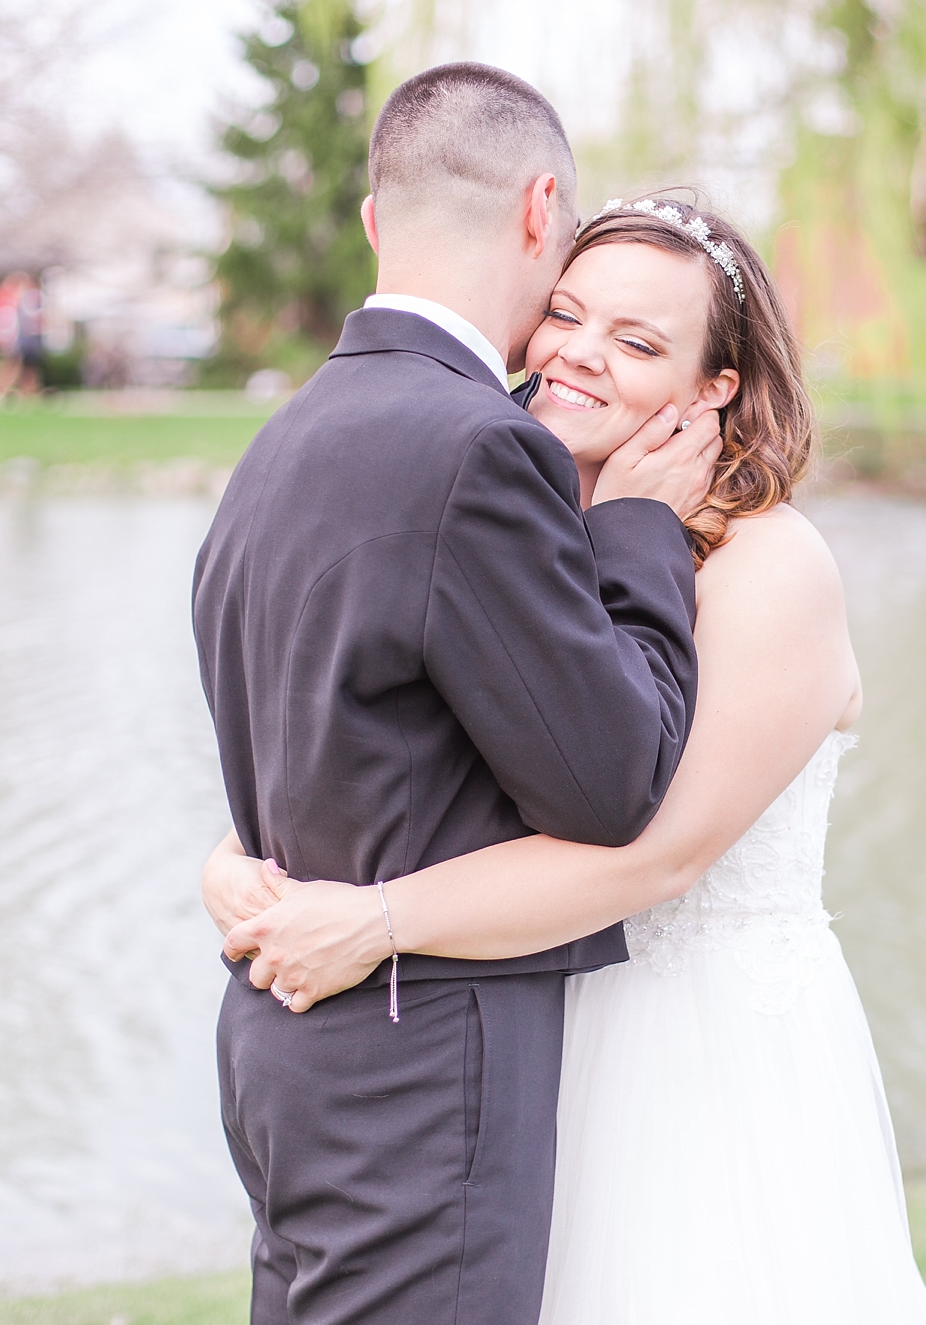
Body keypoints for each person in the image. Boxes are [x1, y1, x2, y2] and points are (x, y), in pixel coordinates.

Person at [208, 195, 926, 1322]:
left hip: (698, 1059)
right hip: (527, 1036)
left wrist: (373, 920)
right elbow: (405, 744)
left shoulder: (769, 568)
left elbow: (653, 856)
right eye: (565, 314)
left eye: (638, 342)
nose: (578, 356)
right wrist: (231, 860)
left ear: (716, 389)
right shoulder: (528, 521)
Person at [191, 64, 721, 1325]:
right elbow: (610, 786)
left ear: (378, 222)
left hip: (285, 1050)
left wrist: (219, 855)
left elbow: (316, 738)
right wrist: (640, 531)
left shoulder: (286, 438)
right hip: (413, 1066)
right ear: (543, 210)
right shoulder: (479, 446)